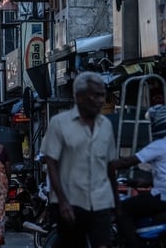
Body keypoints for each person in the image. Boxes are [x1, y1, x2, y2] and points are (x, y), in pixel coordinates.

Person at [41, 71, 116, 248]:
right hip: (71, 202)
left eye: (102, 95)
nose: (100, 100)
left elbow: (109, 165)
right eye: (95, 95)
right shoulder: (59, 123)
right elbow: (51, 163)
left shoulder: (105, 125)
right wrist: (63, 201)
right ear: (80, 97)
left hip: (100, 201)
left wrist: (116, 204)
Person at [112, 104, 166, 248]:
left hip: (162, 197)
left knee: (123, 209)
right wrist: (144, 182)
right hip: (161, 193)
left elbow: (127, 161)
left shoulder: (160, 145)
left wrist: (106, 166)